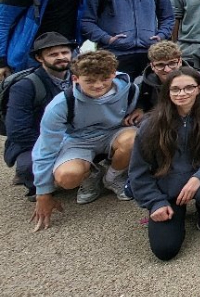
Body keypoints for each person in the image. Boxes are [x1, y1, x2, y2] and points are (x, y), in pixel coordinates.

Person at [30, 50, 140, 230]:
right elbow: (46, 147)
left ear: (113, 74)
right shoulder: (61, 103)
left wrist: (142, 110)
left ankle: (113, 177)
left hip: (114, 132)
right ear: (75, 79)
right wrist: (43, 193)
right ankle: (91, 175)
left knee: (134, 139)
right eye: (89, 80)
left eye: (104, 79)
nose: (98, 85)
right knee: (66, 178)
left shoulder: (130, 89)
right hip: (78, 140)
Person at [128, 68, 200, 259]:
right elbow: (138, 171)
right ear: (167, 92)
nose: (181, 93)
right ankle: (174, 213)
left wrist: (198, 177)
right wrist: (155, 203)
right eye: (175, 89)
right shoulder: (151, 124)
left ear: (199, 89)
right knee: (165, 251)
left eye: (188, 87)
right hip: (166, 188)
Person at [3, 32, 74, 200]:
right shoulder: (24, 86)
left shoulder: (81, 78)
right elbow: (17, 130)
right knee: (30, 166)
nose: (61, 57)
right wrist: (56, 145)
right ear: (39, 58)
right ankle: (36, 182)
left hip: (75, 137)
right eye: (53, 54)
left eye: (65, 52)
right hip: (37, 141)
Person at [127, 41, 187, 123]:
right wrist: (140, 108)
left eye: (172, 63)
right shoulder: (143, 83)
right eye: (160, 65)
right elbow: (143, 100)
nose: (167, 69)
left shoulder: (196, 80)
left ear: (180, 62)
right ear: (152, 66)